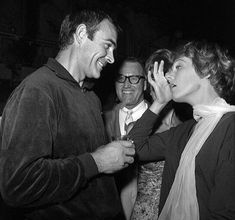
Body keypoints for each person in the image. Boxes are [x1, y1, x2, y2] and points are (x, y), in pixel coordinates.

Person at [0, 9, 135, 220]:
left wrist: (109, 157)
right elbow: (18, 184)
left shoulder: (91, 97)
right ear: (81, 34)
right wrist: (97, 161)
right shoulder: (38, 90)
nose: (111, 58)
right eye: (107, 45)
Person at [129, 41, 235, 220]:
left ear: (207, 69)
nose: (168, 76)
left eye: (178, 66)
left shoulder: (230, 128)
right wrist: (159, 103)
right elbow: (133, 148)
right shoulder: (184, 132)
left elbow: (225, 212)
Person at [130, 49, 182, 220]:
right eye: (153, 81)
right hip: (142, 212)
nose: (157, 89)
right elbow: (128, 186)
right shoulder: (139, 128)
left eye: (164, 82)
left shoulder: (188, 126)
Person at [104, 57, 148, 220]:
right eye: (121, 78)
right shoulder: (101, 119)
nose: (126, 84)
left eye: (134, 78)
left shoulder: (164, 121)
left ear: (145, 84)